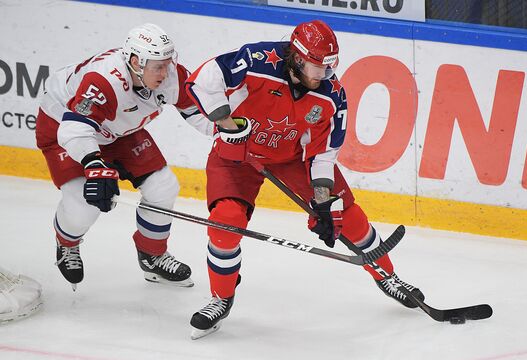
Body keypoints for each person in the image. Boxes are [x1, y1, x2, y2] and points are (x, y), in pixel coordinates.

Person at [185, 19, 425, 339]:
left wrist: (323, 203)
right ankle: (221, 298)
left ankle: (387, 276)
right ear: (297, 58)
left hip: (292, 158)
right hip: (238, 155)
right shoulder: (258, 61)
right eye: (317, 67)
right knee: (225, 223)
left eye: (329, 67)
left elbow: (324, 152)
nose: (324, 76)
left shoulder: (331, 95)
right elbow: (203, 80)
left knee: (347, 215)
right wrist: (226, 123)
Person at [36, 23, 212, 291]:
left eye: (167, 63)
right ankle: (67, 244)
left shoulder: (171, 74)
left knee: (163, 186)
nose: (166, 73)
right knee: (84, 203)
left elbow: (197, 112)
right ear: (134, 62)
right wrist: (93, 162)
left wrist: (229, 131)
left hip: (118, 129)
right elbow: (75, 128)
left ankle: (152, 256)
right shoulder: (104, 80)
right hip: (66, 126)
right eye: (157, 66)